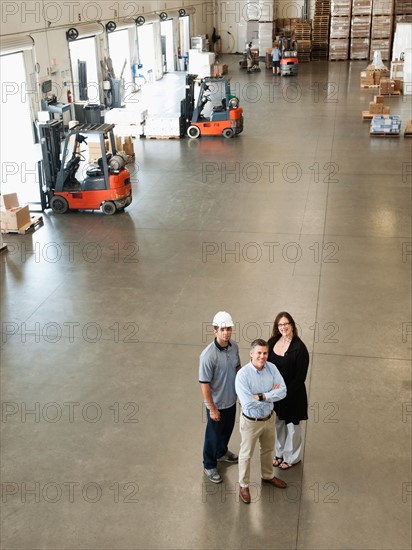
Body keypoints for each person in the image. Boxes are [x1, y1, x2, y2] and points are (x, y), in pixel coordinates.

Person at [235, 339, 288, 504]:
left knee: (267, 449)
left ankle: (267, 476)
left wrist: (262, 395)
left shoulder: (272, 368)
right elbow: (247, 403)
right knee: (246, 454)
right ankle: (243, 485)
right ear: (251, 353)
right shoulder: (242, 375)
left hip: (269, 418)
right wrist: (271, 394)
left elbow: (283, 391)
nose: (262, 356)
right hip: (251, 422)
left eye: (265, 353)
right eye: (259, 353)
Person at [199, 311, 241, 484]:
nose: (226, 333)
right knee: (212, 436)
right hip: (216, 405)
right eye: (223, 329)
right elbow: (204, 385)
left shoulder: (234, 346)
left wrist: (243, 393)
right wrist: (212, 408)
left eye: (229, 329)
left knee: (227, 430)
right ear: (215, 331)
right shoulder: (208, 356)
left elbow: (238, 369)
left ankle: (221, 452)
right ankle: (209, 464)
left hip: (231, 400)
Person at [268, 312, 309, 470]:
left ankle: (292, 457)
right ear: (277, 327)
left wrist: (285, 392)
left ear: (292, 325)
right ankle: (279, 453)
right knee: (278, 424)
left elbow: (300, 377)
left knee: (292, 427)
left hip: (293, 394)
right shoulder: (272, 342)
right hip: (276, 394)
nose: (283, 327)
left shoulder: (300, 348)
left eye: (286, 324)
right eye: (280, 325)